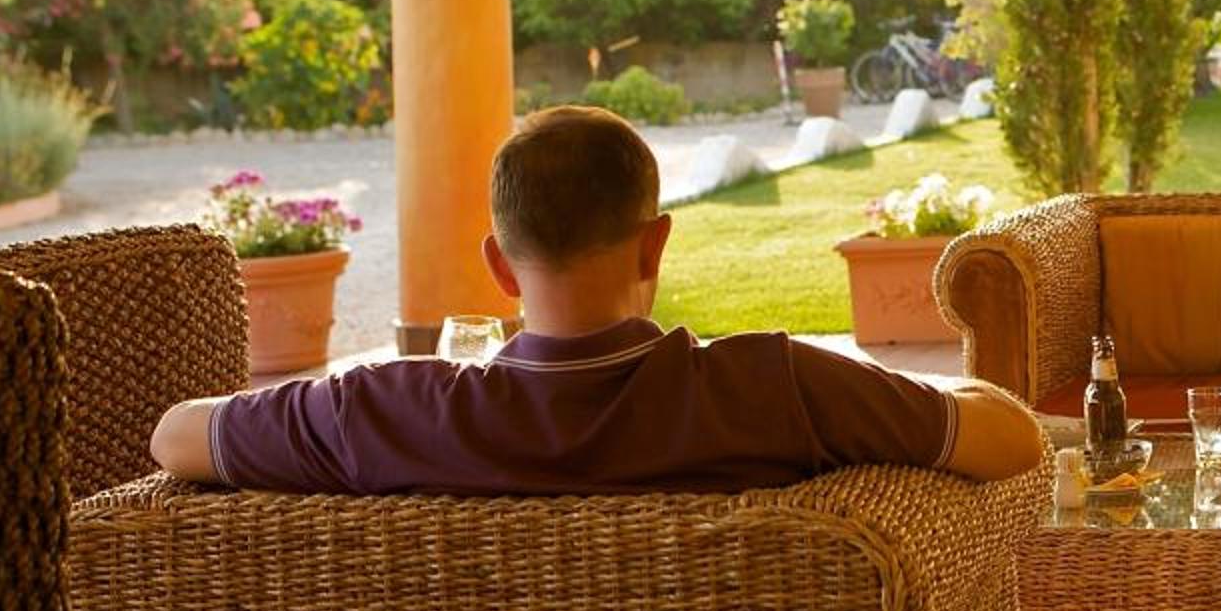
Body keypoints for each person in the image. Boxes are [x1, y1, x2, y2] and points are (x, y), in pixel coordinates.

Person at [150, 105, 1043, 493]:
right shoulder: (775, 388)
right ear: (655, 243)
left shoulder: (387, 411)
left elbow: (176, 437)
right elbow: (1011, 439)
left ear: (500, 267)